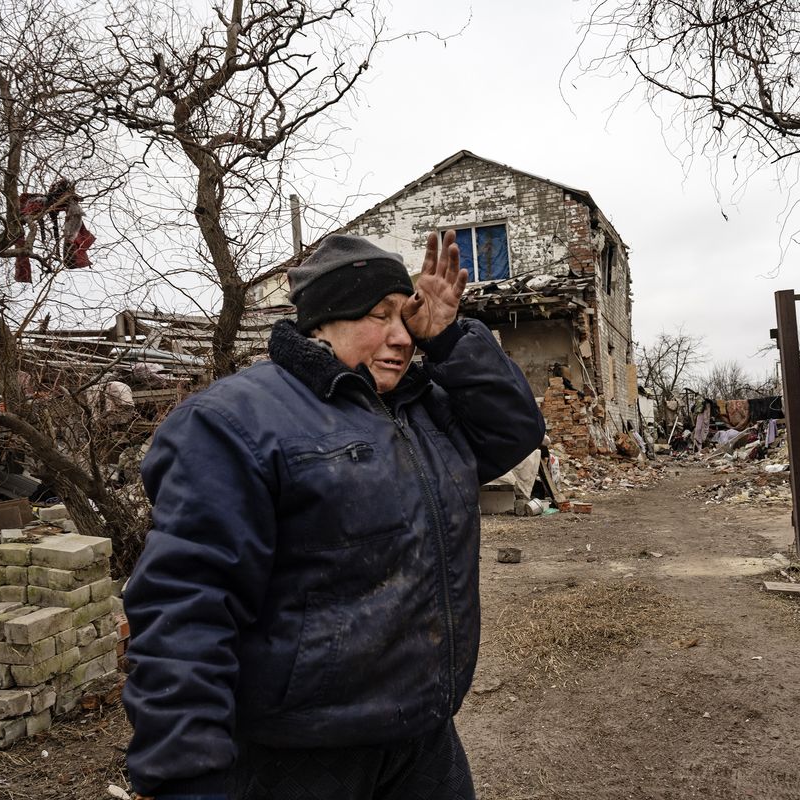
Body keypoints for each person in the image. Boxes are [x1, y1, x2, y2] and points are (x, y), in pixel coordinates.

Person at [123, 231, 545, 800]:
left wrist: (446, 338)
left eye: (407, 316)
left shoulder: (420, 411)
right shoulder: (235, 422)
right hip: (300, 758)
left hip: (424, 739)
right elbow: (187, 602)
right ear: (322, 323)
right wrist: (185, 775)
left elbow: (514, 429)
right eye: (379, 315)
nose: (402, 337)